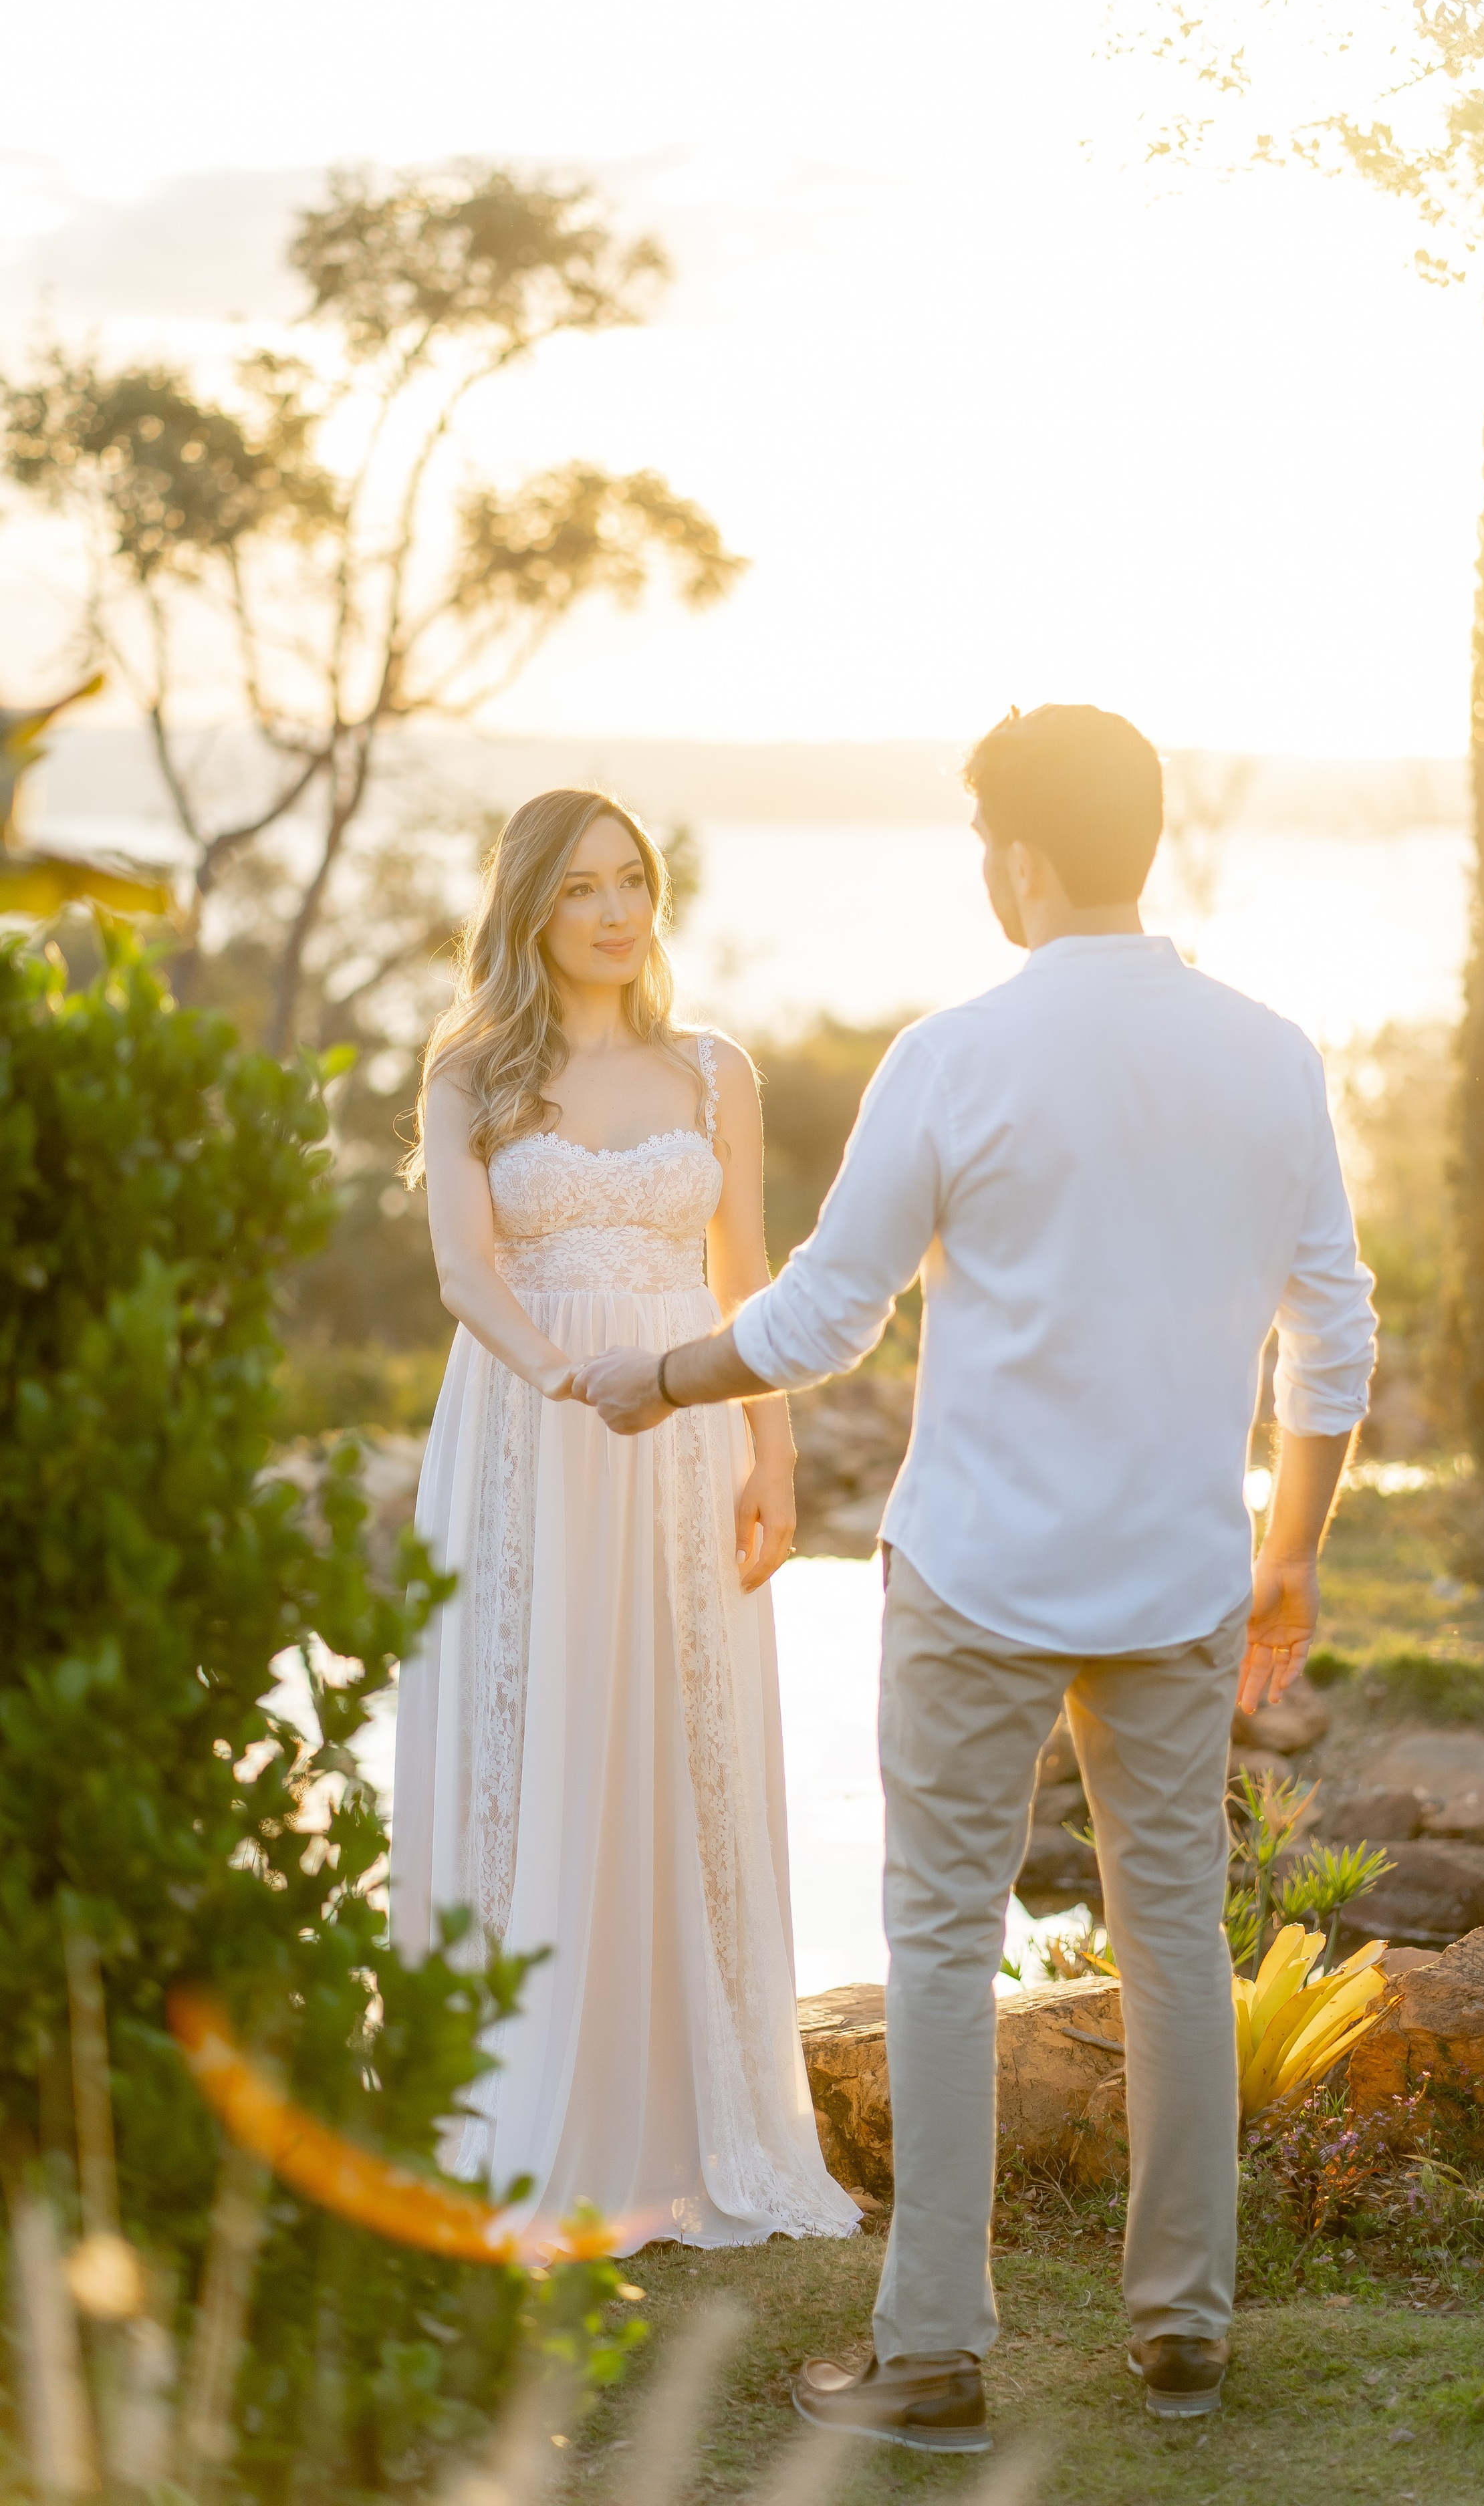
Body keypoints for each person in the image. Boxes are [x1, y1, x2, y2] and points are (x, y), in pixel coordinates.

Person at [574, 704, 1378, 2445]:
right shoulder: (1272, 1055)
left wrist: (664, 1376)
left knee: (938, 1944)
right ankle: (1186, 2336)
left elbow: (823, 1317)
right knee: (1172, 1942)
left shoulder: (955, 1055)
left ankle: (932, 2355)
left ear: (1020, 857)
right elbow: (1337, 1328)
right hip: (1179, 1579)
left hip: (975, 1581)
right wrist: (1294, 1548)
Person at [390, 787, 859, 2255]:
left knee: (682, 1733)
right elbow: (468, 1273)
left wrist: (769, 1458)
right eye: (582, 885)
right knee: (527, 1739)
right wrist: (568, 1383)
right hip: (528, 1437)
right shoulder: (470, 1073)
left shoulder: (714, 1070)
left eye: (633, 882)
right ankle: (514, 2103)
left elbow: (749, 1283)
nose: (613, 910)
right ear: (529, 905)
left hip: (685, 1435)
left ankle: (683, 2118)